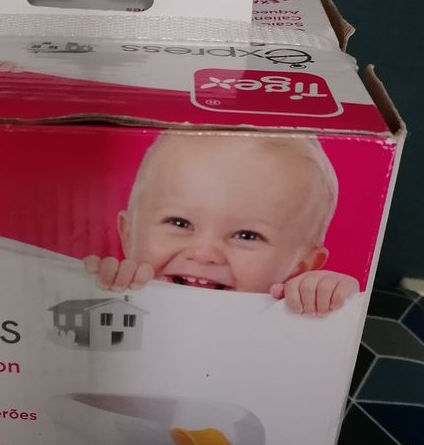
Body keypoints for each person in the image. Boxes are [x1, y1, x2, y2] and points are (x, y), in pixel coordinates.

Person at [84, 130, 358, 316]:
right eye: (179, 223)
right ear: (128, 233)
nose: (204, 254)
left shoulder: (290, 312)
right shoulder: (116, 294)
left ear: (301, 265)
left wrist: (327, 295)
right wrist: (94, 283)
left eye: (246, 235)